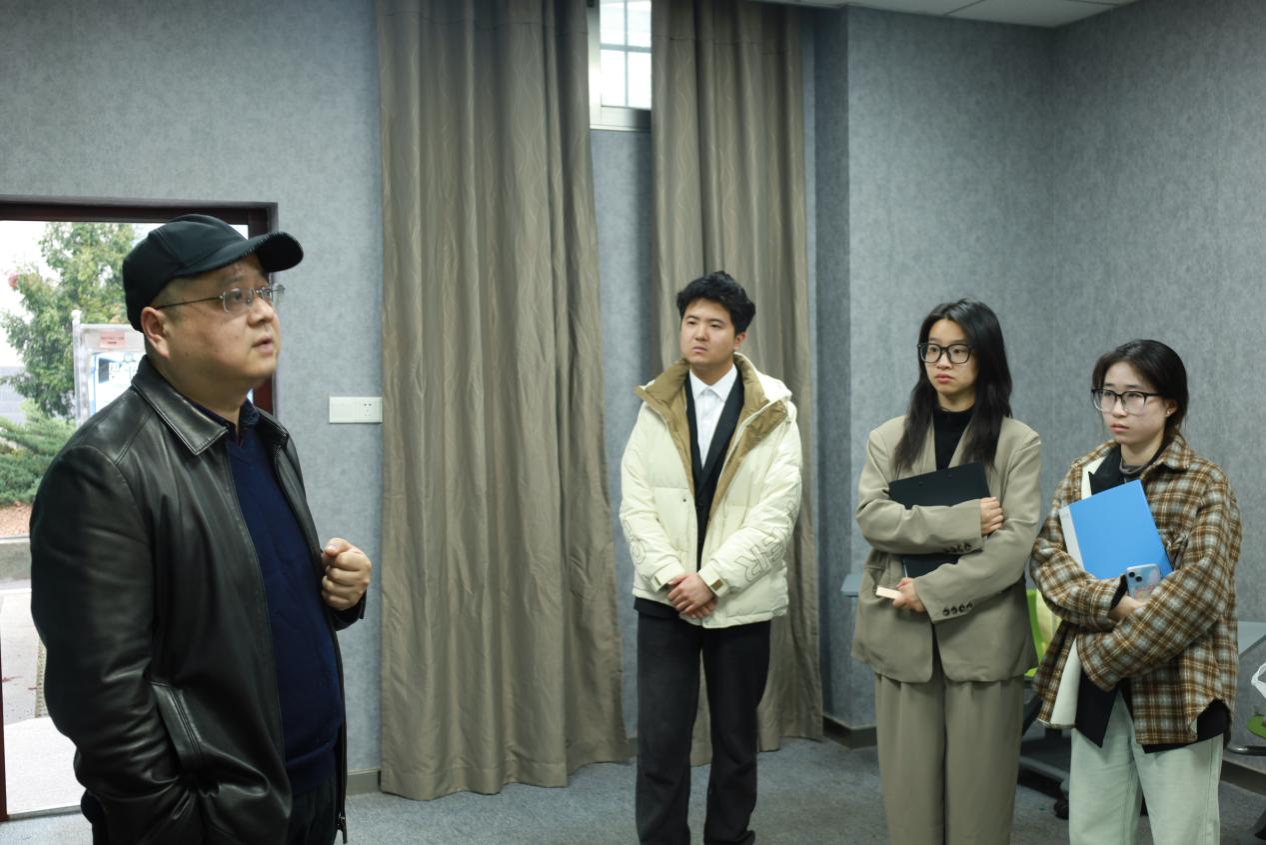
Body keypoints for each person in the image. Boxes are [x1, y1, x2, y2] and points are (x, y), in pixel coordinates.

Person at [30, 214, 373, 845]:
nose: (263, 312)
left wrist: (339, 595)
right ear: (158, 329)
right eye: (232, 296)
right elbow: (101, 701)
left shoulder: (267, 440)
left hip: (309, 783)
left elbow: (242, 606)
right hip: (216, 818)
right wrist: (183, 824)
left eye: (264, 291)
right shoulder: (104, 469)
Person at [1030, 339, 1240, 845]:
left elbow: (1196, 596)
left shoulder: (1204, 483)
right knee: (1094, 829)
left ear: (1171, 405)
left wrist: (1101, 655)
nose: (1117, 409)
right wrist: (1107, 602)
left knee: (1183, 833)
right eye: (1108, 394)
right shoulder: (1084, 474)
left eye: (1134, 396)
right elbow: (1048, 559)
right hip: (1099, 696)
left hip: (1177, 691)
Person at [619, 271, 802, 845]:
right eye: (691, 322)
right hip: (666, 598)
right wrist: (675, 578)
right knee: (661, 743)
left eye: (715, 325)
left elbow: (776, 516)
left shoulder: (775, 410)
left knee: (736, 742)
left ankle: (729, 837)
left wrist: (713, 580)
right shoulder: (655, 403)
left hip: (739, 600)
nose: (699, 334)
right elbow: (635, 505)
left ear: (739, 338)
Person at [852, 298, 1041, 845]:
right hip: (900, 632)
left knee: (980, 802)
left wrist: (932, 591)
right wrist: (964, 520)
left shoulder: (1017, 441)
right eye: (933, 349)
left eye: (959, 350)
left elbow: (1014, 544)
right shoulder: (889, 437)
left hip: (983, 638)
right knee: (909, 800)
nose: (943, 361)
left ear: (986, 357)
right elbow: (873, 519)